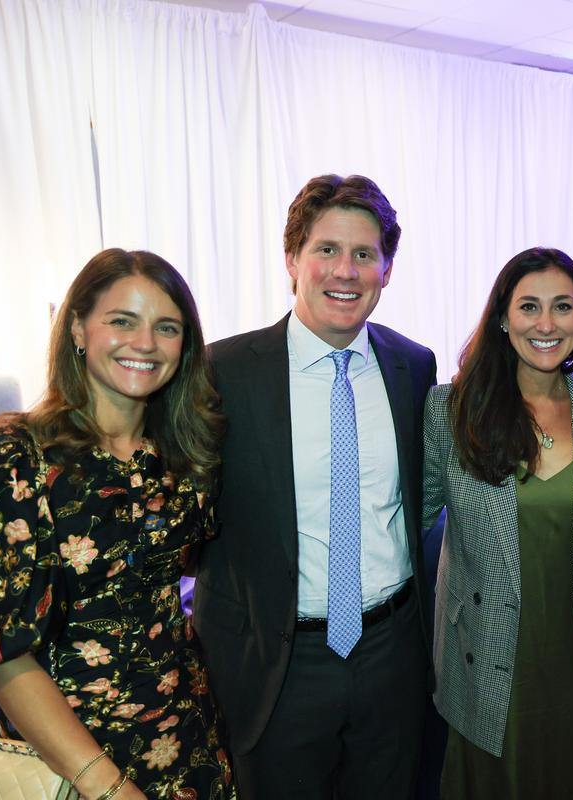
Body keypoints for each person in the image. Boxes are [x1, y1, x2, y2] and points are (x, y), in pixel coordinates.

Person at [194, 175, 437, 799]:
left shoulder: (414, 366)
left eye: (364, 254)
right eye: (326, 249)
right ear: (291, 259)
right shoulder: (221, 373)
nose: (345, 271)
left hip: (392, 652)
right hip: (277, 661)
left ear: (386, 270)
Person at [0, 249, 233, 799]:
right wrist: (109, 787)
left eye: (167, 327)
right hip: (66, 762)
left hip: (186, 740)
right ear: (78, 328)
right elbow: (2, 653)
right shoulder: (14, 460)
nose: (145, 343)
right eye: (122, 321)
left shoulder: (186, 453)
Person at [424, 247, 573, 798]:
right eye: (529, 306)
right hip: (487, 650)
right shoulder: (451, 411)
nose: (546, 324)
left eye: (562, 306)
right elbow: (410, 523)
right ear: (502, 317)